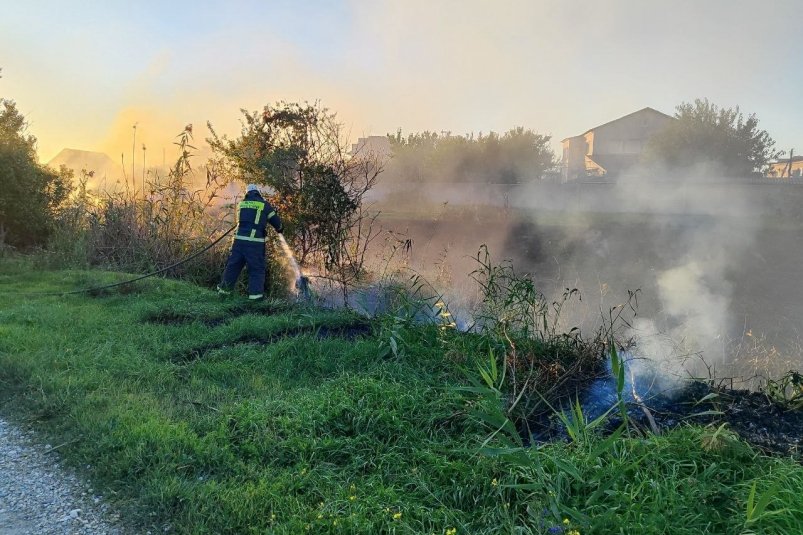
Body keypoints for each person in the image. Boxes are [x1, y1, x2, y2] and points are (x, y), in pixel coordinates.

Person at [217, 184, 283, 300]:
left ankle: (223, 293)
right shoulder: (264, 205)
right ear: (258, 193)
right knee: (256, 270)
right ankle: (255, 299)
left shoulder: (241, 204)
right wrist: (280, 229)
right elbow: (277, 224)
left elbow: (244, 221)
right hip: (254, 244)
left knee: (233, 267)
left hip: (238, 242)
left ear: (247, 193)